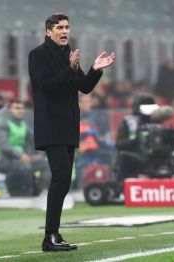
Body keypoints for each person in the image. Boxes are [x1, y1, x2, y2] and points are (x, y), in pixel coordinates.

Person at [28, 13, 115, 251]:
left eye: (67, 27)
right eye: (59, 27)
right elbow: (48, 86)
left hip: (68, 126)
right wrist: (70, 68)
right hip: (50, 125)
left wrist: (95, 69)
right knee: (61, 177)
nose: (65, 31)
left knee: (65, 180)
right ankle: (50, 236)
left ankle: (53, 235)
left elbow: (84, 87)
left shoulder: (68, 54)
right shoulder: (37, 55)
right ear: (48, 32)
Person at [0, 99, 49, 196]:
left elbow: (34, 140)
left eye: (22, 108)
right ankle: (20, 195)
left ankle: (42, 192)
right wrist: (21, 156)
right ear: (9, 109)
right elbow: (4, 146)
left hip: (18, 158)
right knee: (23, 166)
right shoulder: (0, 123)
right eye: (16, 108)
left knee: (47, 165)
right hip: (0, 159)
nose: (20, 111)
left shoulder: (21, 124)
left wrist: (39, 154)